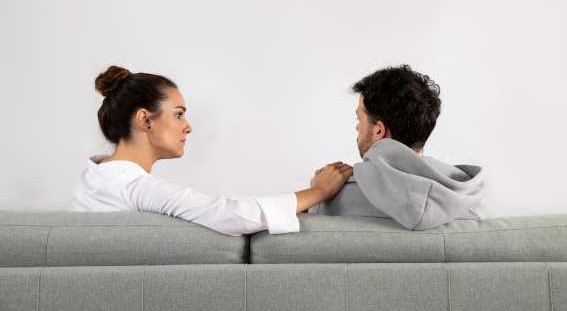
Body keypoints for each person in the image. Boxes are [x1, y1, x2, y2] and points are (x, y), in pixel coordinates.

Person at [68, 65, 353, 236]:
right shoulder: (133, 186)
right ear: (145, 119)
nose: (188, 127)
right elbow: (234, 216)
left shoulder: (92, 179)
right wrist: (319, 192)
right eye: (178, 114)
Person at [308, 65, 487, 230]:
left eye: (359, 119)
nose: (357, 127)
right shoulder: (474, 201)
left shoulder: (333, 199)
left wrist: (315, 193)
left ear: (378, 130)